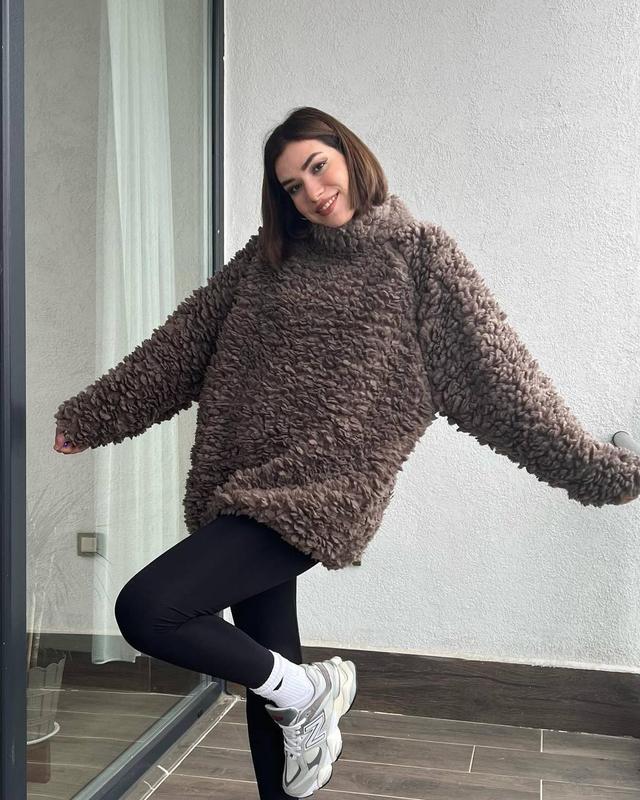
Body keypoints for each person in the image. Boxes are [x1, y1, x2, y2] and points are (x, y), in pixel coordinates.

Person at [53, 106, 640, 799]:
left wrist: (606, 471)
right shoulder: (267, 261)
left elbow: (505, 383)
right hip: (237, 484)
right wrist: (92, 417)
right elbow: (182, 346)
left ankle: (312, 691)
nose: (312, 191)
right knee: (267, 673)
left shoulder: (420, 259)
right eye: (292, 185)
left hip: (320, 497)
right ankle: (298, 702)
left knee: (149, 609)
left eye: (318, 167)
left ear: (350, 156)